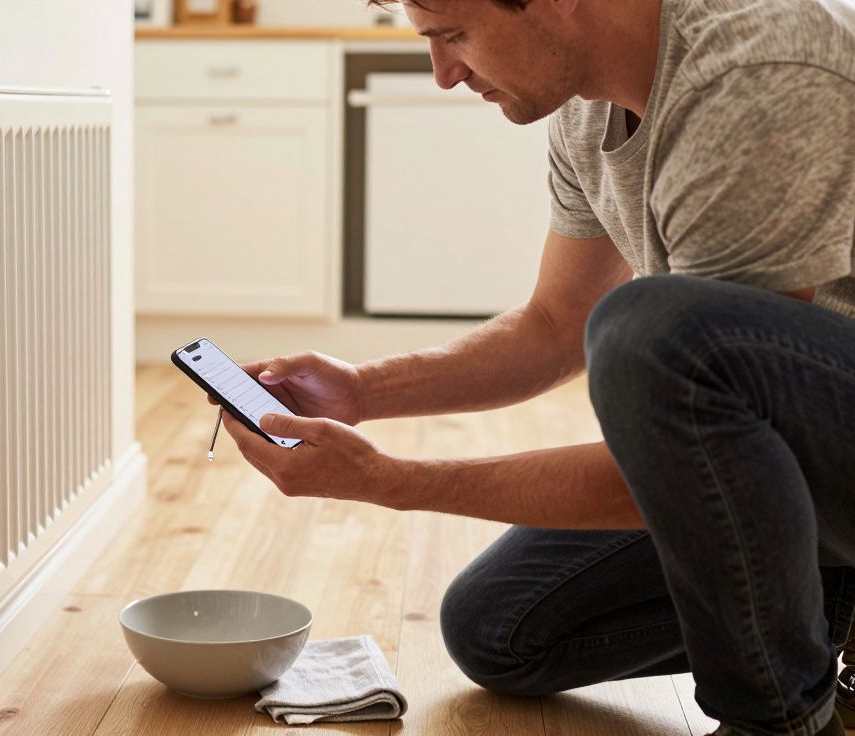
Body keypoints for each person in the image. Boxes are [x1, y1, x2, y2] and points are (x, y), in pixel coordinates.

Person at [210, 1, 855, 734]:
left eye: (454, 35)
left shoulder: (755, 71)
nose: (445, 75)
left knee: (652, 328)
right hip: (806, 467)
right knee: (500, 631)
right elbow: (555, 325)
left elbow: (705, 461)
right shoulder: (589, 109)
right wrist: (363, 391)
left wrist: (388, 482)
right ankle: (835, 598)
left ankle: (778, 723)